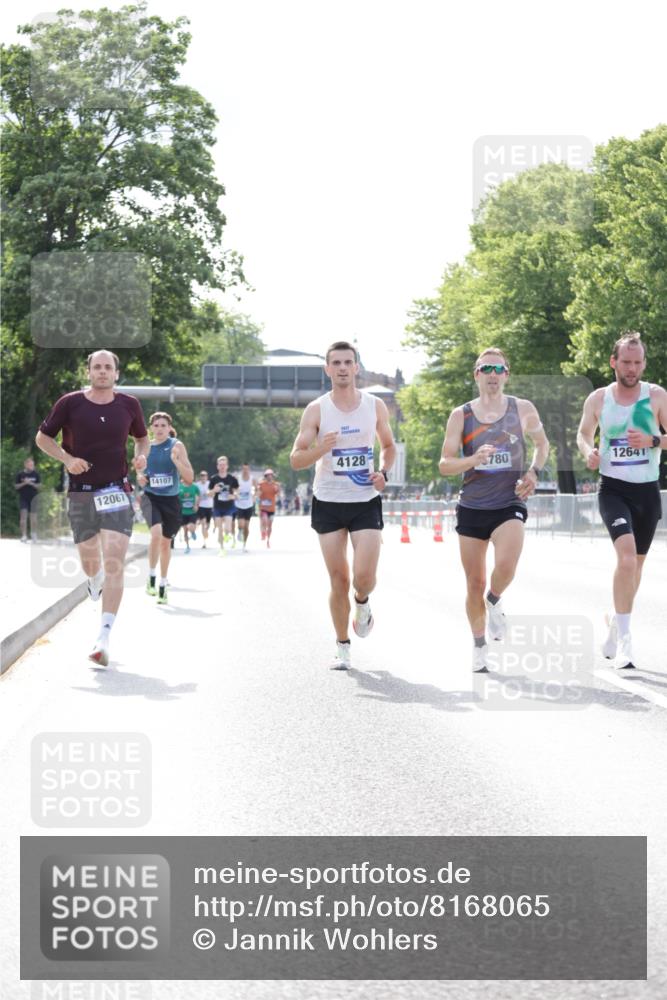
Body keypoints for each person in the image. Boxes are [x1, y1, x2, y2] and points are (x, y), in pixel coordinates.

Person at [438, 347, 550, 673]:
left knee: (505, 566)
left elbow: (542, 444)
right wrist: (472, 460)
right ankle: (478, 645)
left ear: (506, 374)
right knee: (473, 582)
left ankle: (496, 598)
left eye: (498, 369)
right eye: (485, 368)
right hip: (472, 506)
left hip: (509, 502)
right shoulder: (462, 415)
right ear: (476, 374)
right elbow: (445, 464)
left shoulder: (523, 409)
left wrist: (533, 473)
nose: (492, 374)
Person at [35, 349, 149, 667]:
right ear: (89, 372)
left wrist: (143, 456)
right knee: (89, 556)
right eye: (96, 367)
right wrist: (68, 460)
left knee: (115, 560)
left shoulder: (129, 405)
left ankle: (103, 637)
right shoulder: (70, 403)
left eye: (107, 367)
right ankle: (93, 578)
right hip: (82, 492)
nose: (102, 372)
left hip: (116, 489)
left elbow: (142, 438)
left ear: (116, 373)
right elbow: (43, 438)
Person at [290, 341, 396, 670]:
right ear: (327, 369)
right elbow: (296, 460)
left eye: (347, 362)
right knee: (339, 579)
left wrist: (384, 473)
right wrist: (321, 448)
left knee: (363, 578)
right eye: (335, 363)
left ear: (356, 367)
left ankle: (362, 603)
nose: (342, 368)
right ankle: (342, 645)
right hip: (328, 501)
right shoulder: (317, 410)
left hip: (365, 500)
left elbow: (389, 446)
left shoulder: (375, 405)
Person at [577, 331, 666, 669]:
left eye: (637, 362)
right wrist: (589, 451)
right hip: (613, 489)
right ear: (614, 362)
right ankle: (627, 644)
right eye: (626, 362)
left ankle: (615, 621)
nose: (632, 368)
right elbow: (584, 433)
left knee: (636, 568)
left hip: (647, 491)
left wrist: (652, 439)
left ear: (644, 363)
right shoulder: (599, 399)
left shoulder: (656, 397)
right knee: (626, 560)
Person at [138, 413, 194, 603]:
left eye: (163, 425)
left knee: (165, 542)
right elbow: (138, 470)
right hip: (150, 497)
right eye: (156, 425)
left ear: (169, 428)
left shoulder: (176, 446)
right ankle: (151, 576)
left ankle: (162, 583)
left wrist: (176, 461)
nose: (160, 428)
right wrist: (139, 476)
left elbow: (189, 478)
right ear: (151, 428)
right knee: (155, 534)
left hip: (171, 501)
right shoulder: (145, 447)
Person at [208, 455, 238, 554]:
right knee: (219, 528)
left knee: (228, 528)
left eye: (224, 465)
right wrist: (214, 490)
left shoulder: (232, 478)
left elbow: (237, 492)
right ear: (217, 466)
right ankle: (222, 548)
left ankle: (226, 536)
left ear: (227, 466)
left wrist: (233, 496)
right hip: (217, 507)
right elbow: (209, 494)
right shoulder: (214, 479)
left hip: (229, 506)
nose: (222, 467)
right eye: (220, 465)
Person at [15, 456, 41, 542]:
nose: (32, 466)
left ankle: (33, 534)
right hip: (23, 499)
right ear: (25, 465)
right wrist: (24, 483)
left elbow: (39, 486)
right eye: (30, 465)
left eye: (32, 465)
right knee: (23, 518)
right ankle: (24, 535)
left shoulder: (36, 474)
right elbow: (16, 486)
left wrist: (30, 483)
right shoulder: (20, 474)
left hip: (34, 498)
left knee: (33, 519)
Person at [257, 469, 281, 548]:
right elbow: (258, 493)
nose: (269, 477)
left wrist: (277, 490)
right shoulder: (261, 484)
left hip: (272, 508)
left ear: (272, 476)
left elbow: (278, 494)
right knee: (264, 520)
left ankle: (268, 540)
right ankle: (263, 532)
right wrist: (258, 494)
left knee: (270, 526)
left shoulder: (276, 484)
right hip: (263, 507)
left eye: (271, 475)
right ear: (265, 476)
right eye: (268, 475)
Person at [234, 462, 255, 550]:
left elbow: (256, 489)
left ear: (249, 469)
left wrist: (254, 494)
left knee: (247, 526)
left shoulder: (252, 479)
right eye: (244, 469)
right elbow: (234, 489)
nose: (245, 471)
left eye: (247, 469)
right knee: (241, 524)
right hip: (239, 505)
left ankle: (244, 544)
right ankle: (239, 530)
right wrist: (236, 494)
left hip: (249, 505)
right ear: (242, 469)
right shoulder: (238, 479)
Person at [178, 477, 200, 552]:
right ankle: (187, 546)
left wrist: (196, 505)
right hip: (183, 512)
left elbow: (198, 496)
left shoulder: (195, 487)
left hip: (192, 512)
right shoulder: (179, 487)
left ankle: (193, 532)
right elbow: (177, 499)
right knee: (185, 531)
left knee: (190, 526)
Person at [195, 470, 214, 548]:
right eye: (202, 476)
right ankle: (204, 542)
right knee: (203, 523)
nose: (203, 477)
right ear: (200, 477)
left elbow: (213, 494)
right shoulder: (197, 485)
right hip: (201, 506)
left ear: (207, 477)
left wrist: (209, 493)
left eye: (204, 476)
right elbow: (195, 495)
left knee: (207, 525)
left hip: (209, 506)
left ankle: (206, 533)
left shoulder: (210, 484)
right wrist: (196, 504)